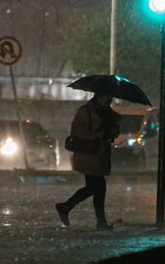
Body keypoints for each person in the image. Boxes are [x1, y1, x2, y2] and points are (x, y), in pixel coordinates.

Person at [56, 92, 120, 230]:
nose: (109, 99)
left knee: (97, 188)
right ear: (99, 96)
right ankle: (67, 207)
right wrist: (96, 135)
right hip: (88, 154)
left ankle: (67, 207)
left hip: (101, 155)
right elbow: (77, 130)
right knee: (97, 187)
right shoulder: (85, 111)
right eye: (106, 96)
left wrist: (113, 127)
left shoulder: (110, 113)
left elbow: (114, 133)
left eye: (110, 97)